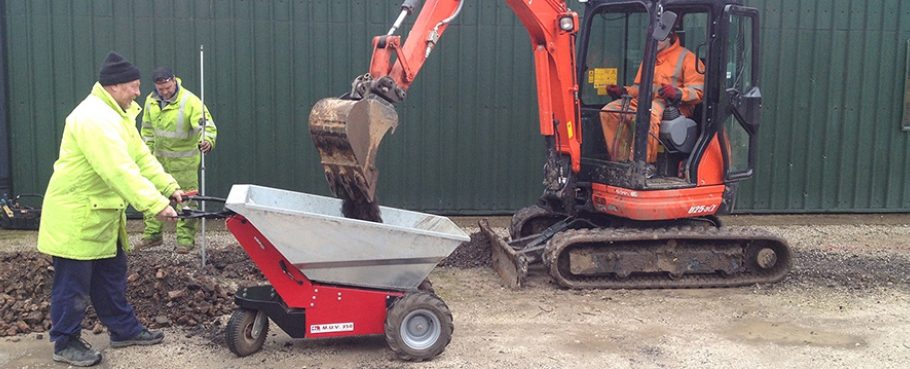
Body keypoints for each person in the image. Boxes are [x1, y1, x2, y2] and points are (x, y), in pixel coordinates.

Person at [37, 51, 185, 367]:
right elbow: (118, 170)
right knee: (72, 286)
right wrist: (155, 204)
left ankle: (123, 330)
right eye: (133, 86)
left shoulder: (120, 114)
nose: (137, 92)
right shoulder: (93, 119)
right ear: (114, 86)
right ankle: (65, 343)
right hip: (76, 217)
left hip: (101, 216)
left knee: (111, 278)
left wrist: (169, 187)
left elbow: (141, 158)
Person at [137, 67, 216, 254]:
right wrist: (145, 153)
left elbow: (205, 125)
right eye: (161, 88)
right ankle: (152, 235)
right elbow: (147, 130)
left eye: (167, 87)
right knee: (152, 197)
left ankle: (185, 240)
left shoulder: (190, 101)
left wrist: (207, 140)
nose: (165, 92)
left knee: (186, 200)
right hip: (157, 161)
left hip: (184, 163)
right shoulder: (151, 101)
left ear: (174, 81)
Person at [599, 31, 704, 163]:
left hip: (675, 106)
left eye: (661, 37)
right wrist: (623, 91)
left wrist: (678, 93)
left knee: (646, 114)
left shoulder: (687, 58)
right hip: (647, 102)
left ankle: (642, 165)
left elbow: (699, 91)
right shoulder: (649, 58)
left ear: (670, 37)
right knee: (610, 111)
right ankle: (620, 160)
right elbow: (640, 89)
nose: (657, 41)